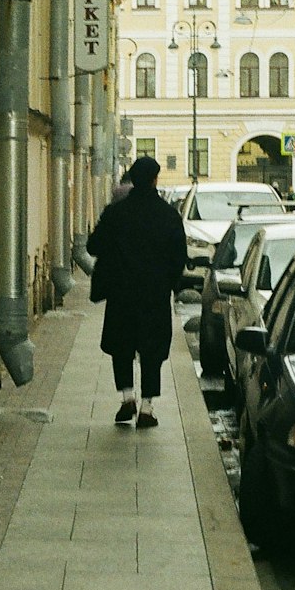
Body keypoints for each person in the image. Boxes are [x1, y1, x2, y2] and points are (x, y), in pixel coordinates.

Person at [86, 155, 186, 428]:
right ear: (155, 180)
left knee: (122, 346)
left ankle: (126, 398)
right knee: (152, 350)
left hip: (121, 294)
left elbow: (93, 247)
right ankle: (147, 408)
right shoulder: (168, 215)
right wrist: (168, 283)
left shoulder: (115, 213)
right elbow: (179, 258)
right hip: (154, 296)